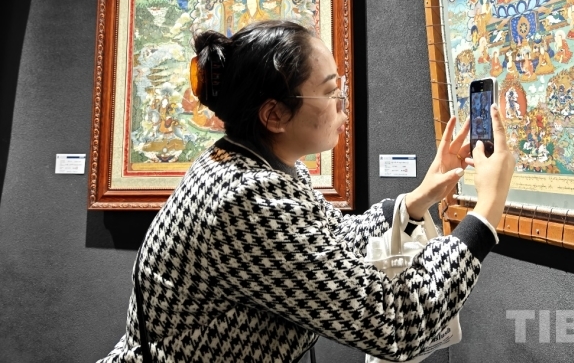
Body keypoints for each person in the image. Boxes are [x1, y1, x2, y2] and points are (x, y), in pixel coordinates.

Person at [98, 20, 515, 363]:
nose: (343, 103)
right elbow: (396, 323)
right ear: (275, 115)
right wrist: (486, 213)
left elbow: (330, 242)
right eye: (331, 92)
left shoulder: (257, 164)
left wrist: (417, 199)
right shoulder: (246, 199)